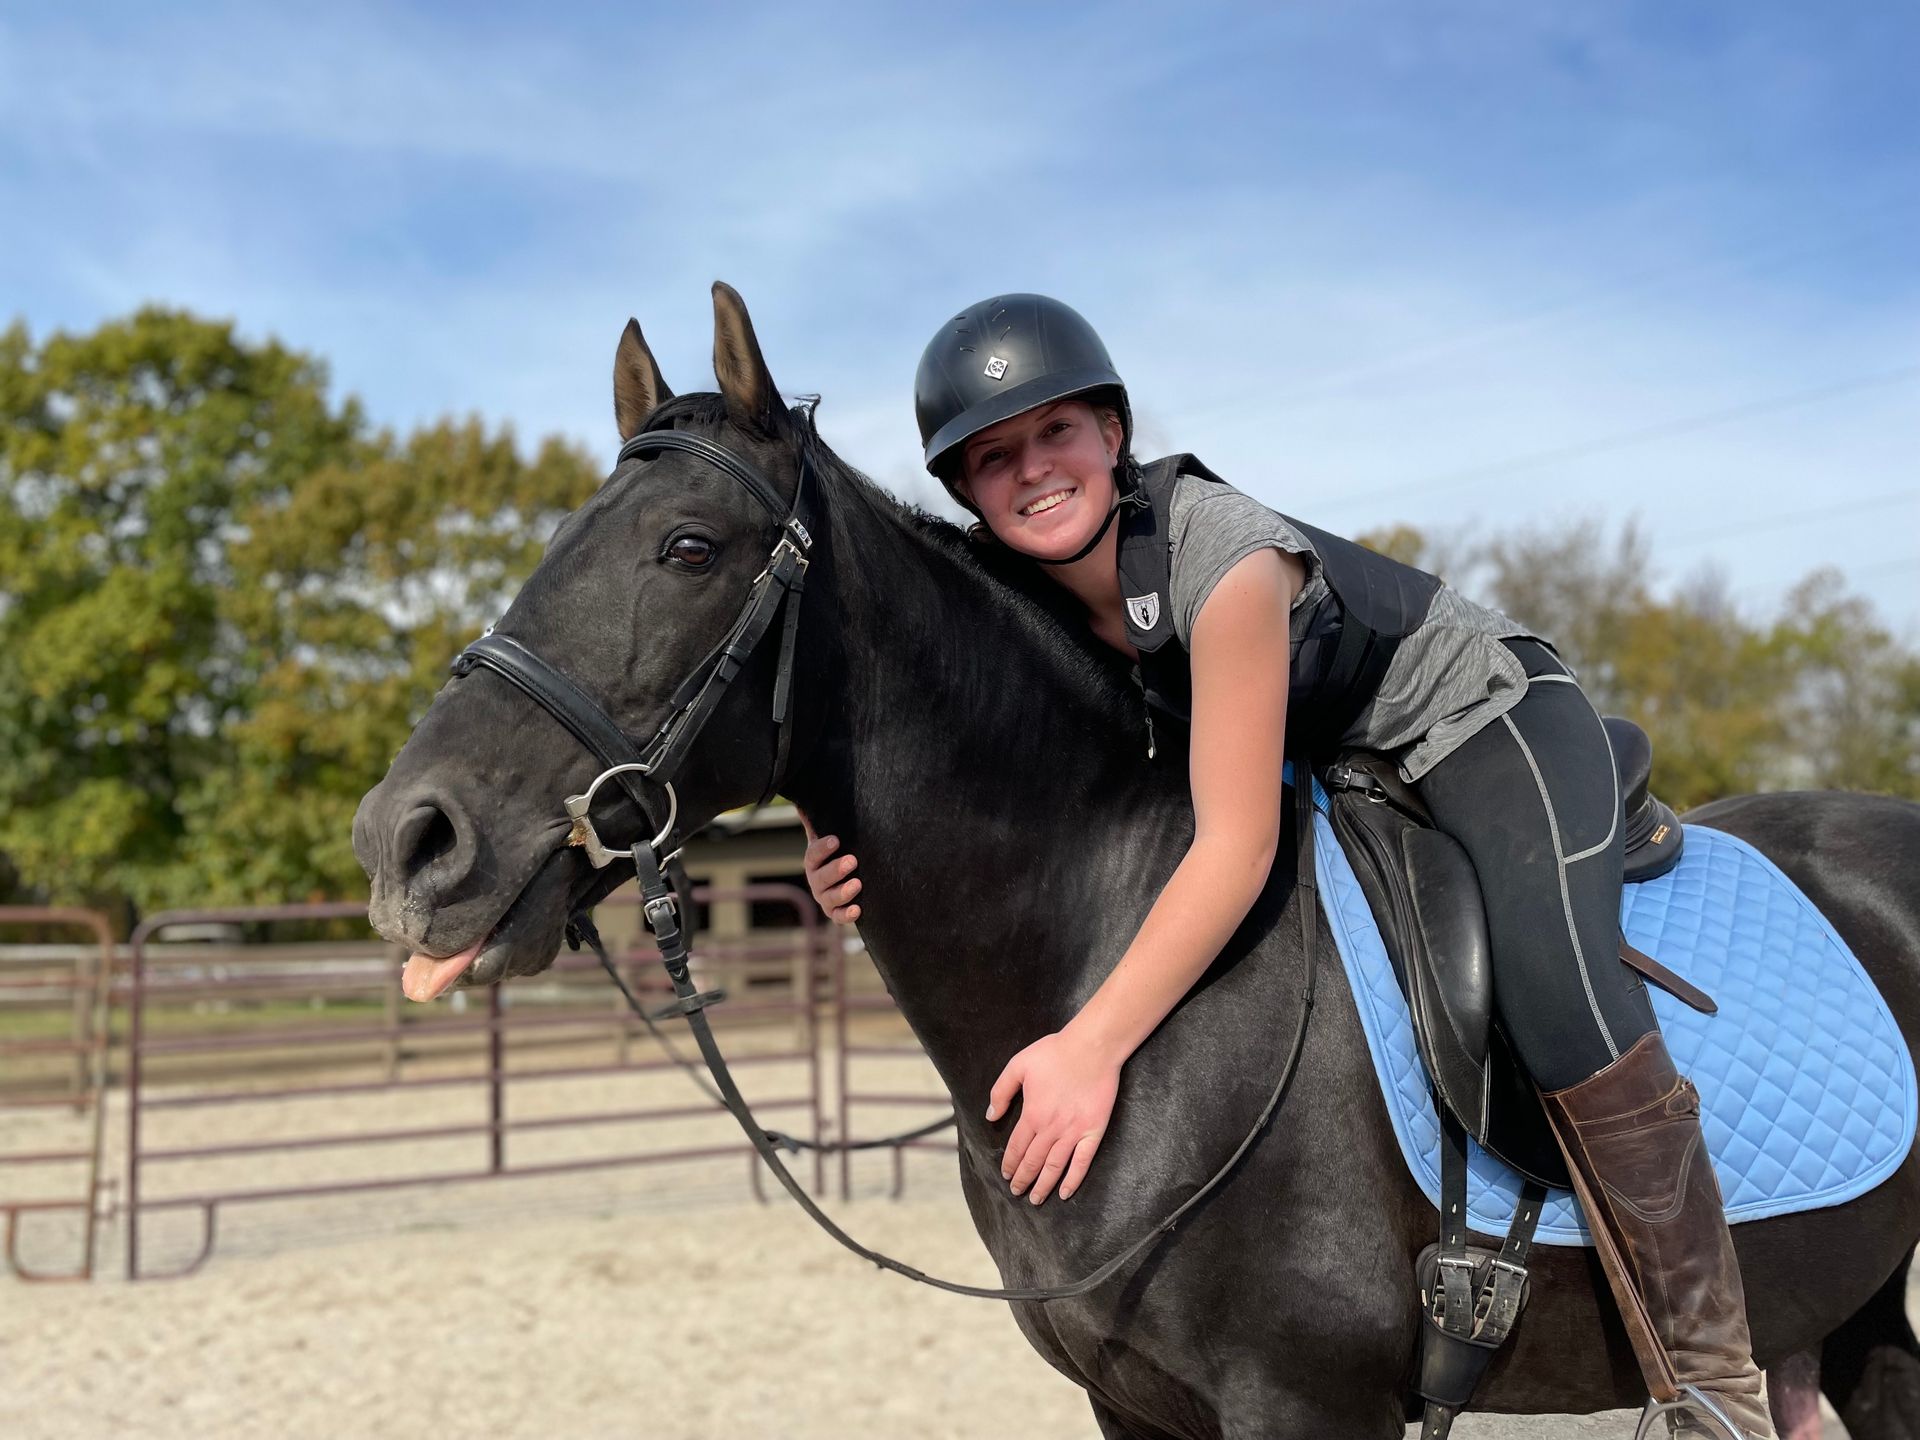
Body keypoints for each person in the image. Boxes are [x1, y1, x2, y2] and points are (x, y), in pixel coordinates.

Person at [800, 294, 1773, 1439]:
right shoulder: (1015, 599)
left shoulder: (1226, 553)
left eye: (1056, 432)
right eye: (994, 457)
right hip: (1333, 756)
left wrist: (1090, 1047)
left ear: (1113, 433)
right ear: (966, 491)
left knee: (1555, 990)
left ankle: (1716, 1380)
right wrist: (836, 845)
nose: (1034, 471)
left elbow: (1236, 844)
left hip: (1475, 714)